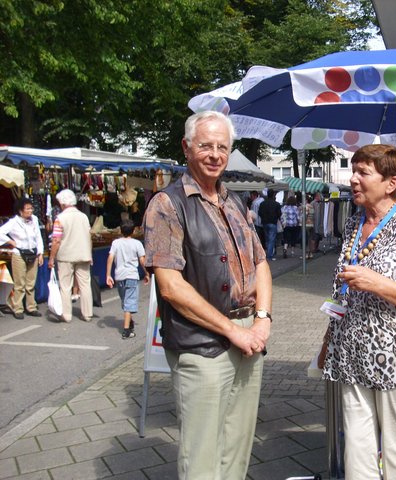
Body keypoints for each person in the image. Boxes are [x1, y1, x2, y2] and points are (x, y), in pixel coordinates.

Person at [143, 111, 272, 480]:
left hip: (249, 336)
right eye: (205, 146)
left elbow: (261, 263)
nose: (215, 154)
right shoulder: (167, 204)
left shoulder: (233, 201)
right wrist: (233, 331)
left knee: (237, 447)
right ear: (187, 148)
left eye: (222, 147)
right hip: (201, 342)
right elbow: (170, 287)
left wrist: (261, 320)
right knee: (202, 455)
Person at [321, 144, 396, 480]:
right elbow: (341, 293)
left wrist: (377, 283)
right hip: (351, 355)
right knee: (357, 449)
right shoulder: (352, 225)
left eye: (363, 172)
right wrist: (327, 342)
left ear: (391, 183)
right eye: (353, 171)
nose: (353, 179)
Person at [48, 189, 94, 323]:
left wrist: (51, 257)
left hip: (65, 256)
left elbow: (56, 240)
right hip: (83, 254)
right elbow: (89, 236)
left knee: (65, 286)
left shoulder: (60, 218)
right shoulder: (84, 217)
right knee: (85, 285)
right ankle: (87, 313)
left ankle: (66, 315)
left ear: (62, 203)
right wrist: (89, 253)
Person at [0, 198, 44, 319]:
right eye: (28, 209)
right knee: (19, 283)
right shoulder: (14, 222)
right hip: (19, 254)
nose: (30, 211)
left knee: (31, 283)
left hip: (33, 253)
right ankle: (18, 308)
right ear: (20, 211)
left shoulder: (34, 219)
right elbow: (1, 232)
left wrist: (40, 253)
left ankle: (31, 307)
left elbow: (38, 237)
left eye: (31, 208)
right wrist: (10, 241)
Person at [105, 219, 150, 339]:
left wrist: (108, 275)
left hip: (119, 276)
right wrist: (147, 273)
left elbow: (110, 257)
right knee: (129, 302)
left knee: (125, 300)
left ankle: (129, 322)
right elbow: (142, 260)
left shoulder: (116, 243)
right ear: (134, 230)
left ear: (120, 230)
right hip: (132, 275)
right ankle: (126, 330)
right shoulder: (137, 244)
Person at [258, 189, 281, 261]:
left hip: (265, 223)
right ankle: (269, 255)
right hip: (273, 223)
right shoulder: (276, 204)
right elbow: (279, 214)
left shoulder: (262, 204)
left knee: (267, 239)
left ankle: (268, 253)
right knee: (271, 239)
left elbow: (259, 213)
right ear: (273, 195)